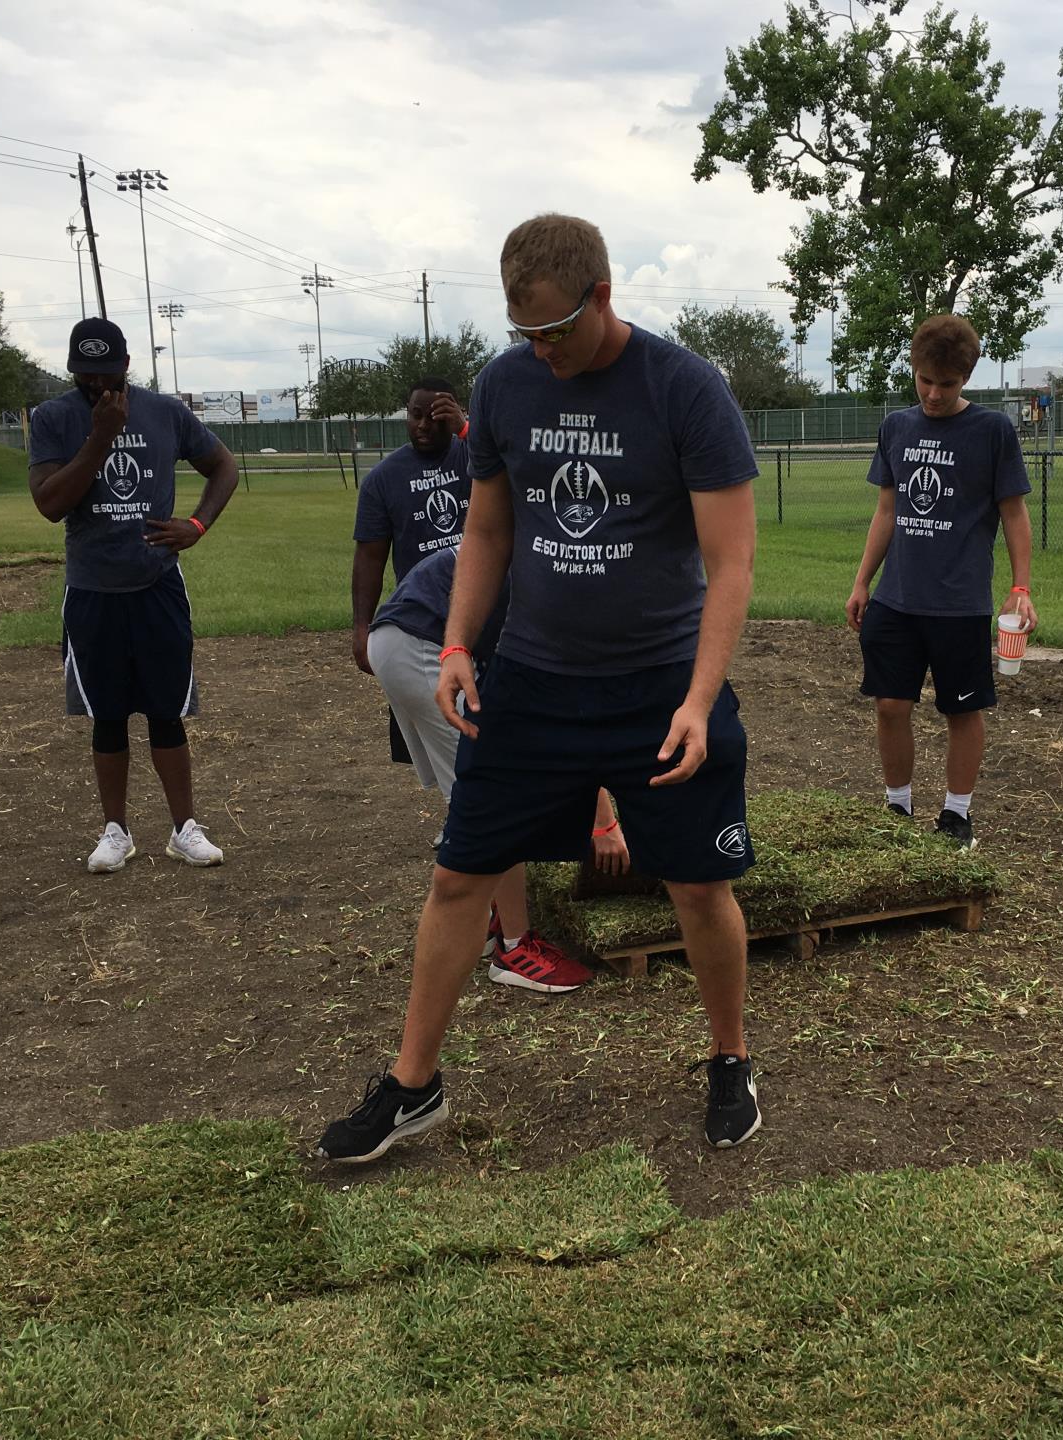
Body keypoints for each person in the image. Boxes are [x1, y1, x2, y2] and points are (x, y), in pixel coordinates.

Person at [319, 213, 762, 1163]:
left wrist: (697, 698)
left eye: (557, 332)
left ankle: (729, 1058)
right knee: (456, 877)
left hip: (658, 686)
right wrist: (455, 646)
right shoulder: (508, 384)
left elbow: (731, 564)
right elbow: (486, 533)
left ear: (603, 296)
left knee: (695, 886)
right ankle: (412, 1087)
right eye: (527, 336)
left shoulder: (685, 388)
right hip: (532, 680)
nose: (543, 353)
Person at [28, 318, 241, 871]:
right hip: (94, 589)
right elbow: (50, 504)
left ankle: (183, 829)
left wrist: (196, 525)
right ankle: (115, 832)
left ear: (125, 366)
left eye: (105, 375)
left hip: (157, 585)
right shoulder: (55, 418)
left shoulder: (165, 412)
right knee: (109, 716)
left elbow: (223, 466)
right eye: (84, 376)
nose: (95, 387)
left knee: (166, 712)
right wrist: (99, 437)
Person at [368, 543, 611, 993]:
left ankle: (485, 917)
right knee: (497, 795)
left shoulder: (548, 554)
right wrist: (604, 823)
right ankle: (515, 948)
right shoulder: (559, 580)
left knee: (482, 787)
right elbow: (562, 713)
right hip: (423, 640)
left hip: (407, 636)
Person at [844, 314, 1036, 851]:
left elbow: (1014, 514)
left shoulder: (992, 431)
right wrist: (863, 582)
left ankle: (956, 816)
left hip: (960, 603)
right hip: (897, 599)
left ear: (965, 378)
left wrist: (1020, 588)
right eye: (924, 380)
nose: (932, 393)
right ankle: (897, 806)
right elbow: (888, 510)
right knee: (889, 705)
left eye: (946, 385)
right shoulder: (896, 427)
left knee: (961, 709)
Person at [353, 378, 471, 766]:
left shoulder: (475, 455)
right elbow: (370, 556)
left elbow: (516, 469)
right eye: (415, 415)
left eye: (435, 416)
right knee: (439, 727)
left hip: (483, 610)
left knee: (482, 721)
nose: (422, 425)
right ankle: (454, 817)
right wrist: (362, 627)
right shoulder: (383, 479)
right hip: (425, 619)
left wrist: (466, 430)